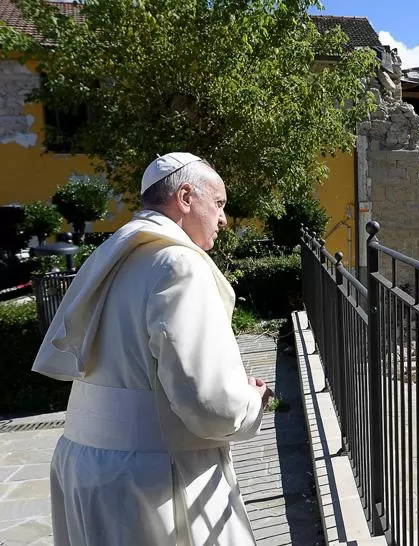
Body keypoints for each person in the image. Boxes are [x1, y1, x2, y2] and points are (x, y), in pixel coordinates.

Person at [32, 152, 274, 545]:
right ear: (184, 196)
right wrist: (251, 400)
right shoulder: (177, 264)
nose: (224, 219)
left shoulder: (115, 256)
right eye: (219, 204)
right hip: (154, 478)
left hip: (86, 464)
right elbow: (208, 404)